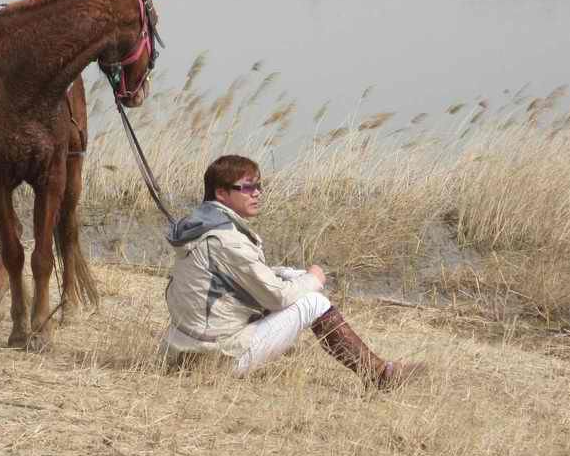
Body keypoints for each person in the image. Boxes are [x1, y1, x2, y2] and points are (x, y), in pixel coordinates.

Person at [163, 154, 424, 388]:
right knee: (314, 301)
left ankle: (377, 371)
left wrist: (289, 274)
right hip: (213, 359)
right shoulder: (227, 238)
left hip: (182, 351)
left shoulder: (200, 225)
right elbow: (276, 297)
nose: (257, 193)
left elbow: (236, 276)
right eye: (247, 187)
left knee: (293, 278)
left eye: (259, 185)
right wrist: (313, 279)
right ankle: (379, 375)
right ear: (221, 194)